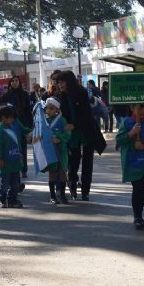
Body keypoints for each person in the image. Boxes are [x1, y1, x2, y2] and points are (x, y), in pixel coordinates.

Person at [55, 70, 106, 201]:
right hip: (71, 134)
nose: (60, 84)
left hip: (86, 130)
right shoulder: (60, 96)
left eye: (62, 82)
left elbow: (86, 114)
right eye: (58, 82)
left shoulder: (82, 93)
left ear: (69, 81)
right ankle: (72, 185)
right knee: (73, 161)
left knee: (87, 162)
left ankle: (85, 191)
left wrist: (74, 124)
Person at [116, 103, 144, 230]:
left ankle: (140, 217)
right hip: (132, 162)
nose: (143, 111)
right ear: (132, 108)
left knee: (142, 189)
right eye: (140, 108)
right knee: (137, 188)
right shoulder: (127, 123)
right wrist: (132, 133)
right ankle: (137, 217)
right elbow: (119, 140)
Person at [0, 76, 33, 178]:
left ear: (19, 82)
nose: (15, 82)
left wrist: (30, 125)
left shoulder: (24, 94)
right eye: (12, 81)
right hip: (10, 124)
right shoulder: (6, 96)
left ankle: (24, 169)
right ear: (10, 83)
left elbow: (28, 110)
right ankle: (13, 168)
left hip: (22, 123)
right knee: (11, 146)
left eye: (16, 80)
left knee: (23, 147)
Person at [0, 105, 24, 208]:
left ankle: (12, 200)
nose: (12, 119)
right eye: (10, 117)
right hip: (5, 162)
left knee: (15, 184)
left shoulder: (12, 128)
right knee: (4, 183)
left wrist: (20, 155)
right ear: (3, 118)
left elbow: (17, 143)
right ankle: (1, 199)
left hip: (15, 161)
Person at [41, 97, 71, 204]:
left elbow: (68, 133)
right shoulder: (44, 121)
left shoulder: (62, 120)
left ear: (57, 109)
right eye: (47, 108)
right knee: (52, 172)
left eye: (51, 108)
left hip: (61, 150)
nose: (48, 110)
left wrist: (59, 138)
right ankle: (52, 195)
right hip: (50, 151)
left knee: (62, 172)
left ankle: (62, 194)